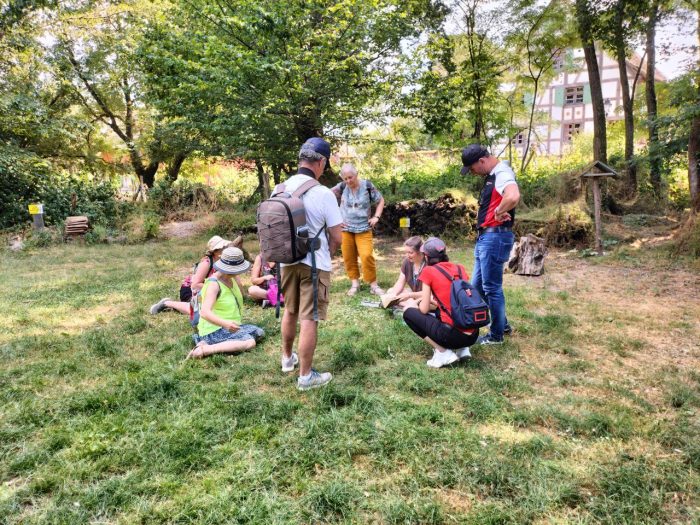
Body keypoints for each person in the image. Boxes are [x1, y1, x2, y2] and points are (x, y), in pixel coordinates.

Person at [280, 138, 343, 390]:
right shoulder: (323, 193)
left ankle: (287, 359)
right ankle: (306, 377)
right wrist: (332, 253)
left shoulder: (280, 188)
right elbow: (337, 235)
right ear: (321, 162)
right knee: (310, 317)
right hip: (314, 264)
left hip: (285, 261)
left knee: (290, 310)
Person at [460, 144, 520, 344]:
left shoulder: (502, 172)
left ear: (482, 161)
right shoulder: (493, 175)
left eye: (473, 169)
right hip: (486, 237)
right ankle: (502, 324)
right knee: (477, 287)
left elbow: (512, 196)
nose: (474, 173)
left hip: (495, 238)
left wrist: (499, 211)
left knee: (492, 288)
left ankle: (496, 336)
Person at [402, 237, 479, 368]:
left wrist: (414, 304)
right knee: (444, 309)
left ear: (426, 256)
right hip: (473, 334)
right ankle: (463, 350)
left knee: (408, 313)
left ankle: (443, 352)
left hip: (452, 337)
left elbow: (424, 309)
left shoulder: (428, 271)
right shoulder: (459, 269)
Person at [188, 247, 264, 358]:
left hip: (230, 326)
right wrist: (225, 324)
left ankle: (207, 344)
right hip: (214, 330)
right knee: (250, 342)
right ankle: (206, 349)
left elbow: (242, 295)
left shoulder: (231, 278)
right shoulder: (214, 284)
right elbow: (204, 312)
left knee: (259, 332)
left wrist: (237, 278)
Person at [331, 163, 385, 296]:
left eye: (351, 177)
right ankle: (355, 284)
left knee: (366, 256)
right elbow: (326, 198)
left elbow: (380, 200)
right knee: (349, 257)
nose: (348, 181)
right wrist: (335, 220)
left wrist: (376, 217)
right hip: (346, 228)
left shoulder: (367, 186)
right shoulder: (341, 187)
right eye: (345, 178)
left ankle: (373, 284)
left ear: (356, 174)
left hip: (364, 227)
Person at [150, 235, 234, 315]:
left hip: (207, 290)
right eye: (223, 247)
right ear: (215, 251)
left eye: (226, 247)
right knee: (198, 310)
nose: (226, 249)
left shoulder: (223, 262)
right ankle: (166, 303)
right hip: (191, 290)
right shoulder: (206, 263)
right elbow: (195, 285)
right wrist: (216, 288)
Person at [385, 236, 426, 309]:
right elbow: (400, 282)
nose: (407, 255)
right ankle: (412, 305)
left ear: (420, 252)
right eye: (406, 252)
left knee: (429, 301)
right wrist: (393, 295)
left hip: (425, 296)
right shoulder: (407, 262)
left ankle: (410, 305)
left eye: (410, 253)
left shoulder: (428, 265)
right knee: (390, 291)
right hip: (413, 296)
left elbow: (428, 293)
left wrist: (409, 295)